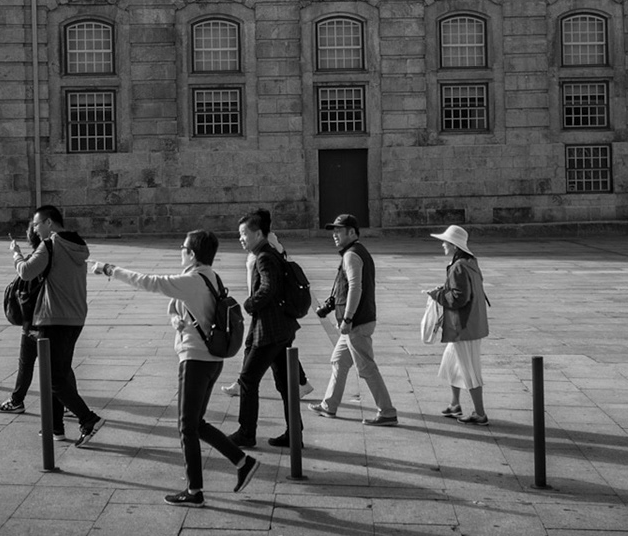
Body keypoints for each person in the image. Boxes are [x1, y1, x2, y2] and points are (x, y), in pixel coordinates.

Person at [91, 231, 260, 507]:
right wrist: (175, 320)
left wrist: (110, 269)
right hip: (211, 360)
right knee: (196, 424)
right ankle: (243, 462)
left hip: (196, 361)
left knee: (186, 427)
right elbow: (175, 306)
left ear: (192, 253)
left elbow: (149, 282)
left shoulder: (192, 280)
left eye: (183, 248)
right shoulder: (209, 276)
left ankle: (195, 491)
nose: (180, 252)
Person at [0, 204, 105, 445]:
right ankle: (55, 428)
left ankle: (88, 418)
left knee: (54, 379)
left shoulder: (51, 244)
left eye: (36, 224)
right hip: (75, 316)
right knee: (58, 373)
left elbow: (25, 272)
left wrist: (15, 253)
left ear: (48, 223)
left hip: (54, 317)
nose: (35, 229)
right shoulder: (77, 244)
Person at [227, 209, 310, 449]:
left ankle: (246, 432)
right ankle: (295, 433)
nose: (241, 238)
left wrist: (249, 303)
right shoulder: (271, 252)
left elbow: (268, 288)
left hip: (270, 330)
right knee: (285, 384)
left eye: (244, 234)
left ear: (259, 233)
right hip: (280, 328)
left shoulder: (263, 257)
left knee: (247, 379)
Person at [311, 214, 398, 426]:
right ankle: (329, 405)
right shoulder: (357, 252)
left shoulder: (351, 255)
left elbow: (355, 288)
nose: (335, 235)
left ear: (352, 232)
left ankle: (387, 412)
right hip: (357, 321)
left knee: (366, 367)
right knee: (339, 361)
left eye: (339, 231)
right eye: (334, 231)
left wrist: (348, 318)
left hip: (356, 323)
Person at [424, 224, 490, 425]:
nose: (443, 245)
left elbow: (459, 298)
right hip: (471, 324)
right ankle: (455, 404)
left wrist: (437, 295)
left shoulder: (459, 266)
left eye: (445, 242)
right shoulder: (470, 262)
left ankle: (480, 414)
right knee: (452, 365)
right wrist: (445, 289)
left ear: (454, 245)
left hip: (464, 326)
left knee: (470, 370)